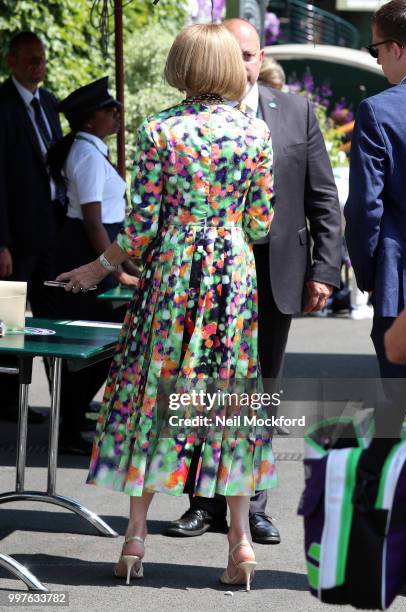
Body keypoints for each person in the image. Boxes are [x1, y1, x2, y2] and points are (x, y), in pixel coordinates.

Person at [56, 23, 275, 589]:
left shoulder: (159, 131)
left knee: (153, 388)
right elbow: (260, 223)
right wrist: (221, 225)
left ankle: (134, 538)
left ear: (182, 64)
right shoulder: (254, 133)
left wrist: (98, 267)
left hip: (173, 275)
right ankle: (241, 543)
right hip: (230, 273)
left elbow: (144, 227)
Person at [165, 18, 341, 545]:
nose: (240, 65)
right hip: (208, 275)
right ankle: (201, 500)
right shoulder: (187, 119)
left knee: (258, 390)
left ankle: (254, 503)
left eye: (248, 55)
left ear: (260, 56)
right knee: (201, 386)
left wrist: (325, 271)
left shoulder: (294, 111)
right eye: (232, 54)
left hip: (273, 272)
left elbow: (322, 197)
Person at [47, 77, 139, 455]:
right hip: (84, 253)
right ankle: (68, 428)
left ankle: (75, 416)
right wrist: (115, 270)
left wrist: (126, 262)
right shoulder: (85, 155)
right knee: (89, 344)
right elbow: (93, 220)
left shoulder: (92, 150)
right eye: (108, 110)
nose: (116, 115)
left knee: (105, 342)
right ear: (88, 120)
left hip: (99, 248)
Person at [0, 31, 64, 423]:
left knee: (51, 319)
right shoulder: (3, 105)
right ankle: (8, 404)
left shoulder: (50, 102)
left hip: (50, 234)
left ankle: (62, 404)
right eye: (28, 59)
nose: (35, 66)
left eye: (40, 59)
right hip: (15, 236)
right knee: (9, 324)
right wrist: (1, 242)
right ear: (11, 62)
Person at [344, 0, 406, 382]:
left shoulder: (377, 111)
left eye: (376, 49)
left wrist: (368, 273)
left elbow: (366, 206)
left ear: (397, 48)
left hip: (399, 279)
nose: (378, 59)